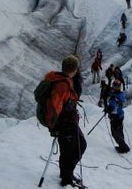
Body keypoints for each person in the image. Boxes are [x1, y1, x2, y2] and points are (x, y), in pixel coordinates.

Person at [44, 55, 87, 187]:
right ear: (74, 69)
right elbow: (53, 107)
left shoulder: (65, 80)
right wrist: (53, 127)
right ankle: (66, 178)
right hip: (64, 124)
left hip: (67, 121)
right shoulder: (62, 85)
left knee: (69, 149)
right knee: (77, 147)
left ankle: (66, 174)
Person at [105, 79, 130, 153]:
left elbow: (113, 107)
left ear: (119, 87)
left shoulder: (115, 96)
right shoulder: (120, 94)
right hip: (119, 116)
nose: (114, 87)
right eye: (114, 85)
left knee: (115, 133)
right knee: (119, 132)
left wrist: (109, 109)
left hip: (116, 117)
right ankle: (122, 146)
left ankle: (124, 147)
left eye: (116, 86)